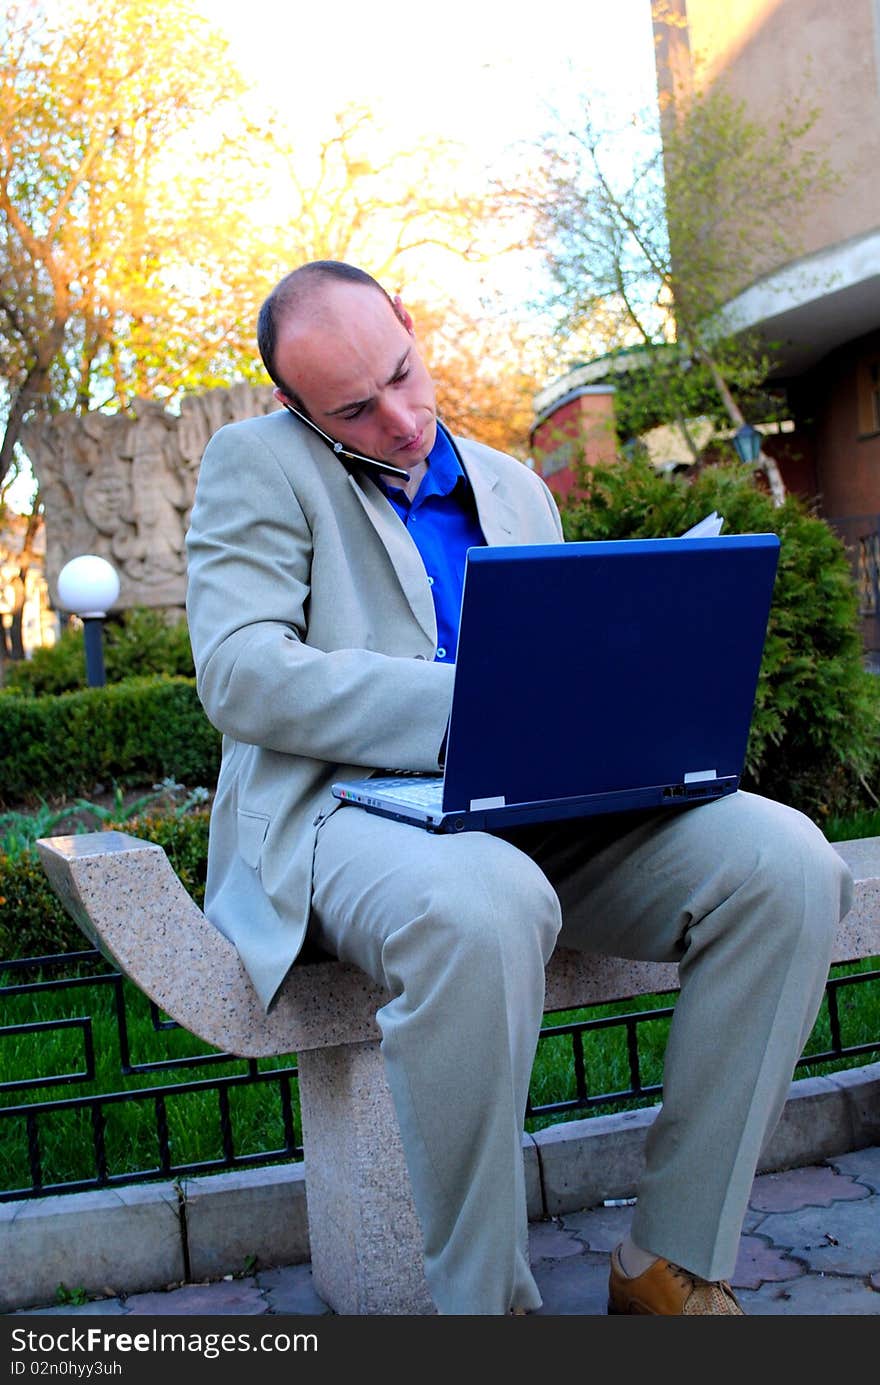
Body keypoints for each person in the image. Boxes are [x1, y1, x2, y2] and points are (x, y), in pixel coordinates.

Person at [184, 259, 854, 1316]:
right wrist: (470, 701)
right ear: (294, 407)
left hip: (529, 802)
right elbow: (236, 671)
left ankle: (672, 1264)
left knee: (786, 863)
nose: (401, 420)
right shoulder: (254, 465)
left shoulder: (513, 483)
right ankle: (488, 1309)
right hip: (347, 815)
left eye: (404, 375)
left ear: (409, 323)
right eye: (355, 409)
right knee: (481, 902)